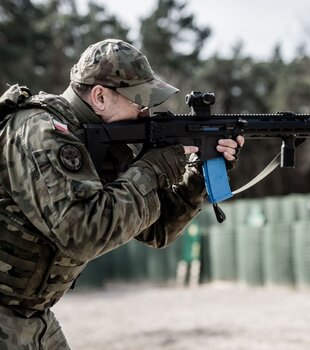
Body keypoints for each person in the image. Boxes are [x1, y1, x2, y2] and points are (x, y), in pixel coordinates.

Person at [0, 39, 244, 349]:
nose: (145, 112)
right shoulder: (41, 131)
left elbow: (158, 229)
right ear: (99, 96)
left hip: (31, 314)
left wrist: (197, 174)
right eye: (138, 100)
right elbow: (82, 232)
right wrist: (152, 169)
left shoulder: (97, 142)